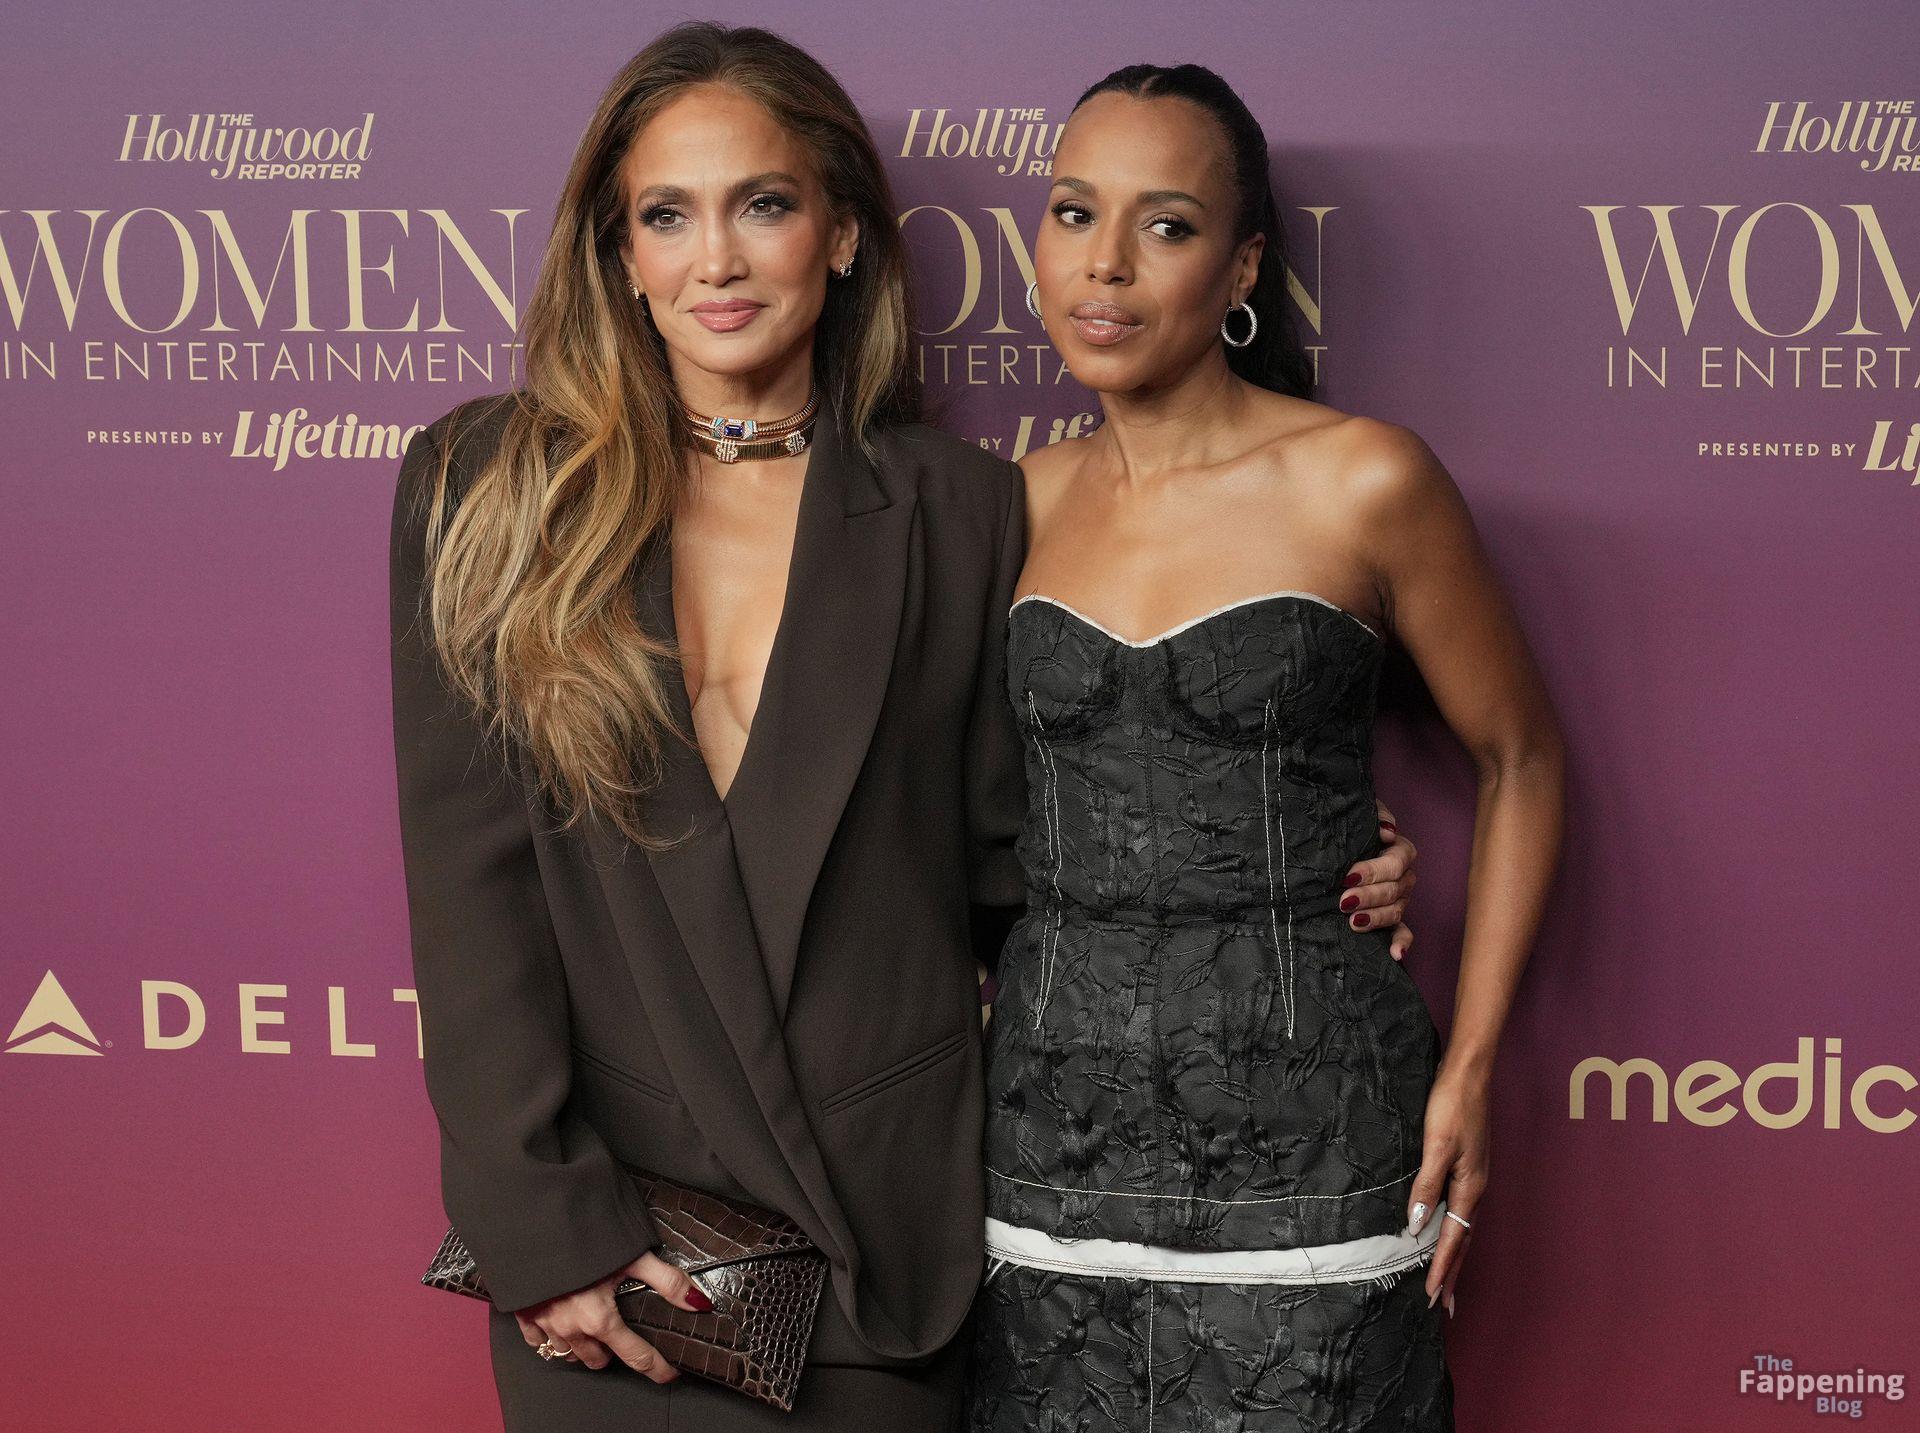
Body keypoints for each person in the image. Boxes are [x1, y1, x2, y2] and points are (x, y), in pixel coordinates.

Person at [389, 23, 1421, 1431]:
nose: (716, 260)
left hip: (877, 1253)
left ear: (844, 236)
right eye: (667, 216)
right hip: (619, 1264)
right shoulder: (489, 485)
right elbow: (470, 896)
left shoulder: (956, 507)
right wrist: (541, 1229)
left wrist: (1283, 859)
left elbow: (1024, 856)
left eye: (763, 204)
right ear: (618, 254)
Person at [966, 64, 1566, 1432]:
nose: (1105, 263)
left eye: (1166, 224)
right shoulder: (1009, 505)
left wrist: (1472, 1069)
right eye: (1074, 212)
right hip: (1050, 1142)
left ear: (1242, 267)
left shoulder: (1364, 479)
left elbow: (1523, 758)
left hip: (1319, 1141)